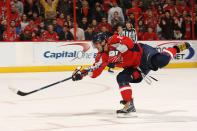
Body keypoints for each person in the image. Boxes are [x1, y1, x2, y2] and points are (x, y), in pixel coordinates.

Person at [71, 33, 191, 117]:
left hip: (143, 53)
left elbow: (129, 43)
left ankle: (175, 48)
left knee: (162, 61)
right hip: (135, 68)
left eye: (96, 44)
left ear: (103, 41)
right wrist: (81, 74)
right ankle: (129, 104)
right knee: (121, 78)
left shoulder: (113, 39)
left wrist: (117, 51)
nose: (95, 47)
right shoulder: (102, 56)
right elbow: (95, 71)